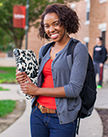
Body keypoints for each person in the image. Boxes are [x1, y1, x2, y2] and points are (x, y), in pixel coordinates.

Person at [15, 3, 89, 137]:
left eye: (56, 23)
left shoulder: (77, 49)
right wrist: (24, 79)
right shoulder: (45, 50)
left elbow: (74, 89)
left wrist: (37, 90)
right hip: (37, 114)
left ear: (66, 23)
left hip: (62, 119)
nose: (51, 29)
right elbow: (39, 81)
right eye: (47, 26)